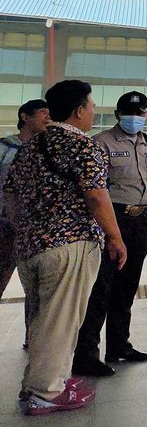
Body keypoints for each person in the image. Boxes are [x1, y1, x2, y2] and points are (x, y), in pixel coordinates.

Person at [3, 80, 127, 415]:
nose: (93, 111)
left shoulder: (30, 145)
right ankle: (46, 392)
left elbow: (10, 195)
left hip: (30, 247)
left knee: (43, 319)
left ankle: (45, 381)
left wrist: (27, 229)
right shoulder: (82, 146)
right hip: (68, 245)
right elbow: (96, 195)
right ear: (79, 110)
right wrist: (115, 237)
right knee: (60, 319)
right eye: (91, 105)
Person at [73, 91, 147, 377]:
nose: (135, 117)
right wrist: (108, 231)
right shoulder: (101, 143)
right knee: (101, 289)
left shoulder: (146, 142)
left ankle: (120, 345)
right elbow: (94, 190)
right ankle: (86, 354)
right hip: (114, 221)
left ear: (146, 114)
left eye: (140, 112)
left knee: (127, 287)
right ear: (118, 115)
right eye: (129, 112)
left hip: (140, 220)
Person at [0, 99, 50, 307]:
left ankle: (33, 340)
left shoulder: (48, 150)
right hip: (4, 227)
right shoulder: (5, 147)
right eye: (42, 112)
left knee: (37, 294)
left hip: (36, 232)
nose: (48, 116)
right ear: (25, 116)